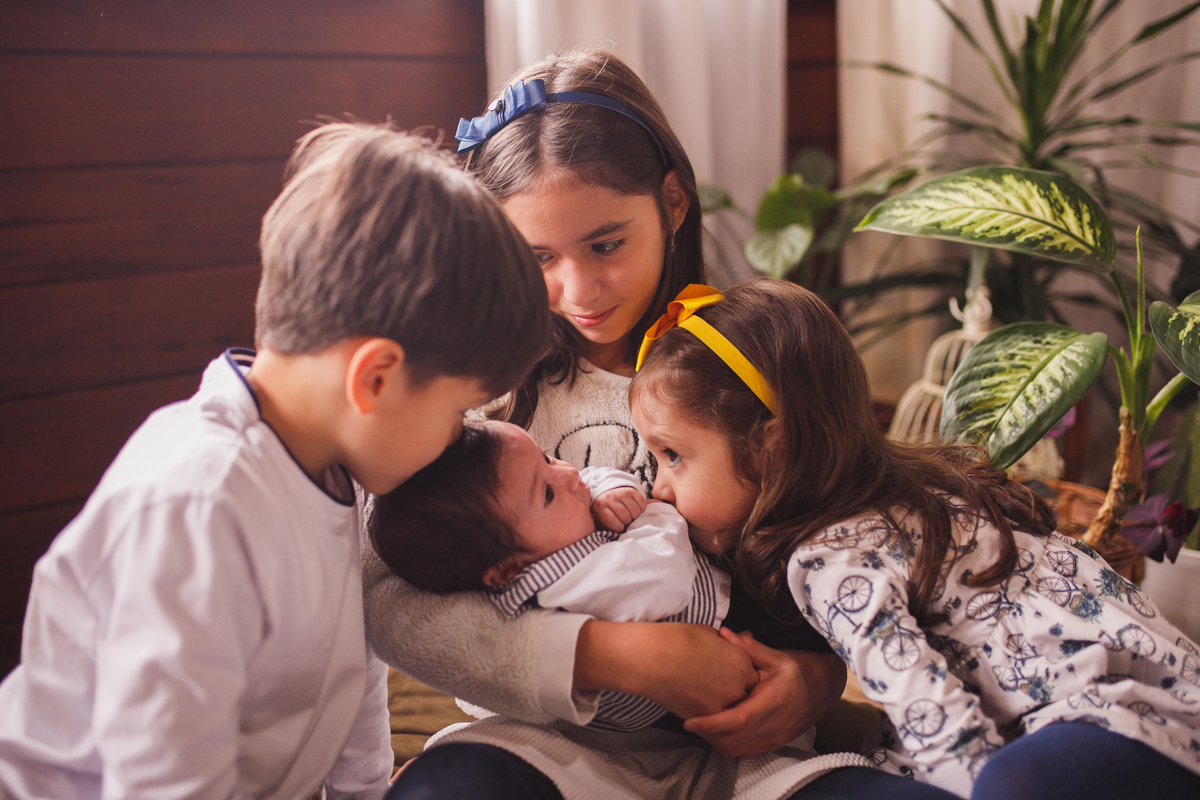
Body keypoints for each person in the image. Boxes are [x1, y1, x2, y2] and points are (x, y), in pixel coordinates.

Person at [375, 48, 955, 800]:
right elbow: (388, 587)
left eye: (606, 244)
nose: (577, 288)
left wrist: (816, 679)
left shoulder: (751, 358)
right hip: (546, 743)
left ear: (673, 203)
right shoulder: (473, 387)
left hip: (753, 754)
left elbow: (840, 545)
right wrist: (608, 656)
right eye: (538, 256)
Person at [0, 122, 552, 799]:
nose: (455, 438)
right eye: (456, 411)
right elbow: (163, 776)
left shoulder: (333, 466)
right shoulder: (199, 505)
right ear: (374, 379)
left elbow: (350, 675)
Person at [629, 278, 1200, 800]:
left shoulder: (825, 560)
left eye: (673, 455)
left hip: (1101, 721)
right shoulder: (922, 487)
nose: (659, 488)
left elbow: (919, 696)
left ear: (769, 446)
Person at [372, 419, 732, 732]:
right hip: (709, 658)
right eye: (546, 493)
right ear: (510, 570)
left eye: (547, 457)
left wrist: (611, 490)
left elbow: (587, 477)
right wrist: (653, 512)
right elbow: (664, 575)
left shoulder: (544, 531)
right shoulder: (564, 584)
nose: (569, 473)